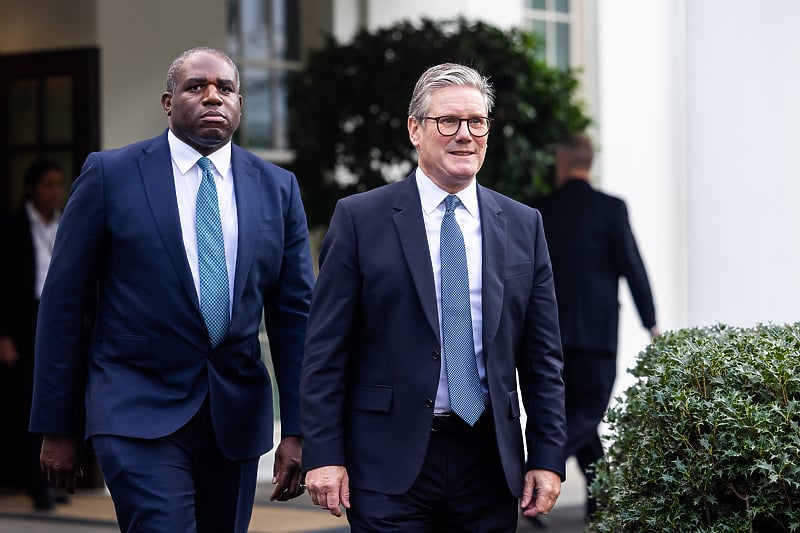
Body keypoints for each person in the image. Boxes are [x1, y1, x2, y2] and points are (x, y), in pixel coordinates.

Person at [29, 47, 315, 532]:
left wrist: (303, 428)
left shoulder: (277, 188)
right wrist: (57, 423)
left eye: (225, 89)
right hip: (135, 407)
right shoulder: (110, 175)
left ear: (240, 104)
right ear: (168, 101)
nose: (212, 97)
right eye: (196, 87)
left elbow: (295, 318)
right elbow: (63, 304)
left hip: (236, 416)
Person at [300, 63, 566, 532]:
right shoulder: (360, 219)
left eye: (477, 121)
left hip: (488, 461)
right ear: (415, 130)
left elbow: (543, 357)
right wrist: (323, 454)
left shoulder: (525, 225)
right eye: (448, 121)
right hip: (386, 463)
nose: (465, 135)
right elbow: (325, 351)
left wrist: (547, 455)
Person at [535, 132, 659, 518]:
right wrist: (652, 323)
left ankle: (598, 494)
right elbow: (632, 267)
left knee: (574, 414)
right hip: (596, 335)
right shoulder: (610, 209)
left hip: (548, 334)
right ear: (589, 163)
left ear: (562, 163)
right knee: (588, 413)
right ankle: (532, 473)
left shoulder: (542, 209)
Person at [0, 159, 68, 510]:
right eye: (48, 185)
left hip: (60, 319)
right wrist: (4, 335)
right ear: (32, 188)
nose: (55, 192)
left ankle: (55, 479)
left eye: (59, 185)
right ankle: (33, 485)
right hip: (24, 321)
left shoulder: (65, 223)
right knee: (30, 404)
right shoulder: (12, 227)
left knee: (61, 397)